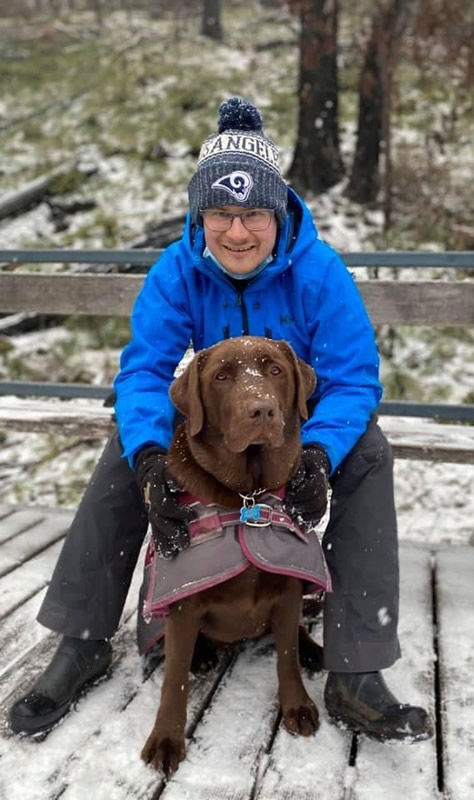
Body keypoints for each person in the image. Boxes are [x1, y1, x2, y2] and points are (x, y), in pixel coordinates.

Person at [9, 96, 432, 743]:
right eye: (222, 214)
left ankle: (358, 670)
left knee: (369, 452)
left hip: (298, 420)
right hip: (210, 414)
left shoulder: (319, 272)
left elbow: (352, 380)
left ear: (278, 210)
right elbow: (145, 374)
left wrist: (319, 453)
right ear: (200, 215)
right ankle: (84, 637)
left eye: (254, 213)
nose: (238, 232)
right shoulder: (176, 272)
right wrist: (151, 459)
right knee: (125, 448)